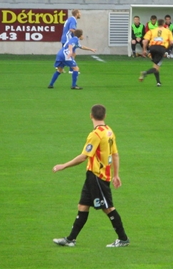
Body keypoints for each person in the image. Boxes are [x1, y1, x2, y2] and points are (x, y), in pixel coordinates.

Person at [52, 104, 130, 248]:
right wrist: (116, 175)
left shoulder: (95, 135)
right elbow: (115, 154)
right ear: (105, 116)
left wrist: (63, 166)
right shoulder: (109, 131)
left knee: (108, 208)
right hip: (93, 176)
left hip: (98, 177)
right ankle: (71, 239)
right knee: (83, 205)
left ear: (91, 116)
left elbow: (83, 157)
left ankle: (123, 239)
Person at [139, 19, 173, 86]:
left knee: (156, 65)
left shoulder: (152, 31)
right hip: (161, 48)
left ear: (157, 24)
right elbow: (172, 42)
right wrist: (166, 49)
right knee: (156, 67)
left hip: (152, 48)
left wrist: (144, 50)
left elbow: (145, 41)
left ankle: (158, 82)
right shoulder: (168, 31)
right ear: (164, 24)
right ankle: (145, 73)